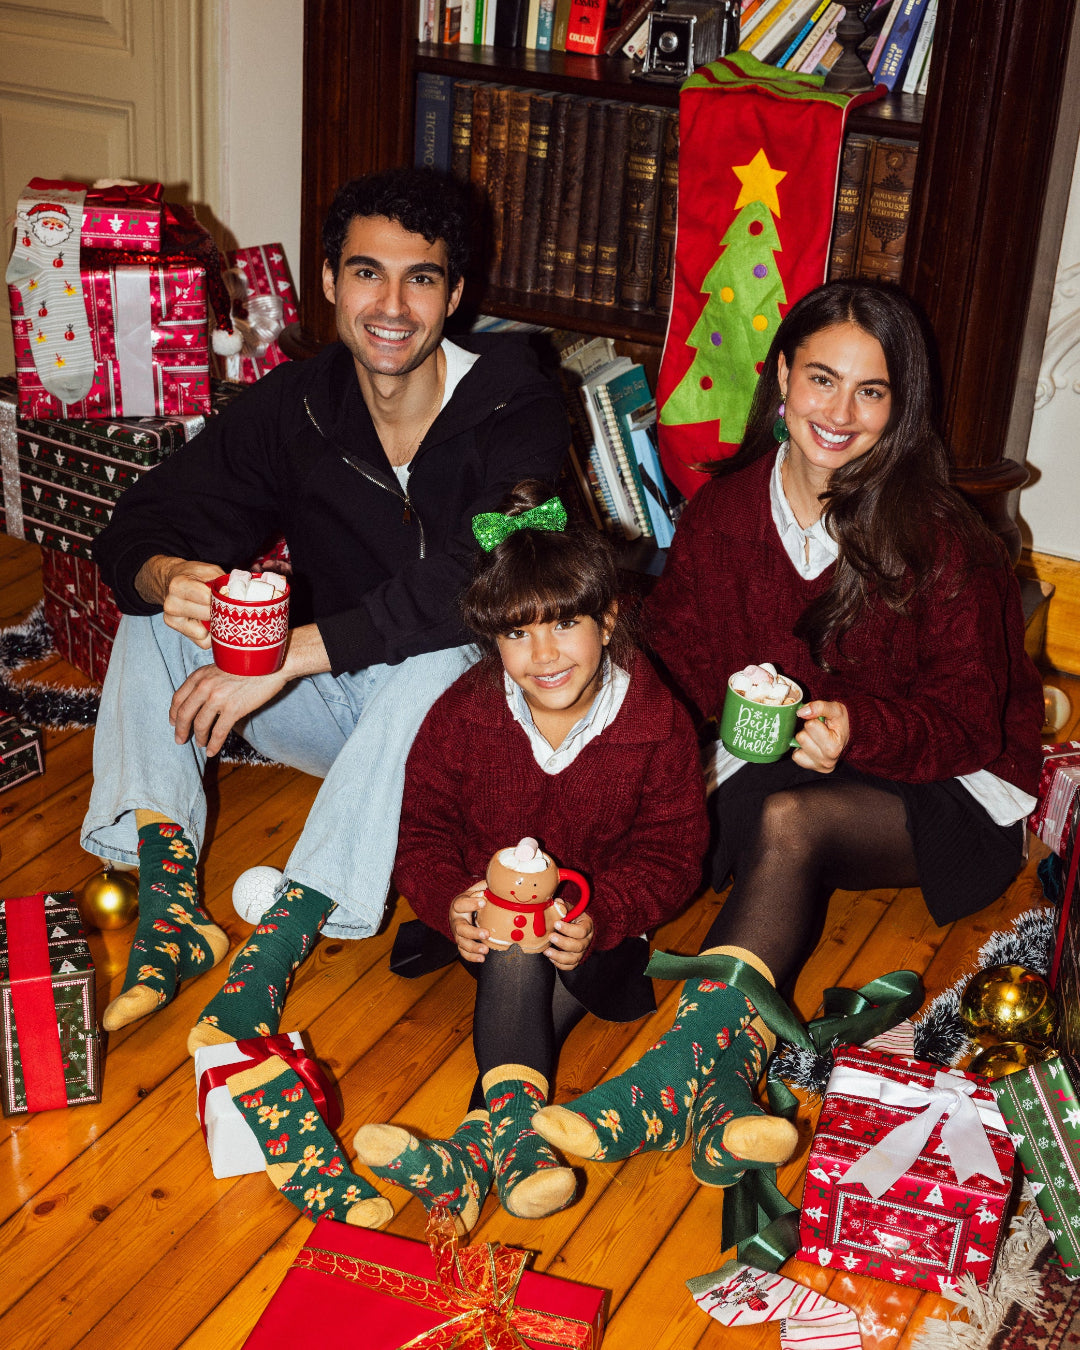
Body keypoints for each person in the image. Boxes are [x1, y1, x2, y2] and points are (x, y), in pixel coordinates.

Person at [531, 281, 1044, 1192]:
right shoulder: (725, 511)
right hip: (780, 755)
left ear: (900, 406)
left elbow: (970, 721)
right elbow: (684, 655)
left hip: (947, 783)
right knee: (655, 829)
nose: (839, 414)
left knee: (789, 823)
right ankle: (519, 1088)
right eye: (821, 379)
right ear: (781, 377)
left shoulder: (942, 541)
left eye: (870, 391)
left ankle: (681, 1071)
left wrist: (860, 728)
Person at [84, 168, 570, 1071]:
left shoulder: (520, 402)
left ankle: (284, 937)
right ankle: (169, 906)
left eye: (420, 279)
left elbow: (496, 573)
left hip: (468, 737)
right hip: (337, 713)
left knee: (448, 656)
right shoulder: (299, 402)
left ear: (455, 295)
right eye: (366, 273)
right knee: (158, 614)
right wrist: (169, 574)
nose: (391, 306)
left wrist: (291, 653)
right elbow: (142, 520)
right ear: (330, 282)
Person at [350, 482, 709, 1231]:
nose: (544, 654)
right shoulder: (462, 715)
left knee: (532, 954)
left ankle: (473, 1152)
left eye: (566, 624)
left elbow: (674, 853)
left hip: (599, 937)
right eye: (517, 633)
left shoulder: (657, 722)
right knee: (515, 946)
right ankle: (514, 1143)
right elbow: (421, 833)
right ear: (493, 640)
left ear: (608, 620)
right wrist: (449, 901)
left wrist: (606, 913)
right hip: (489, 931)